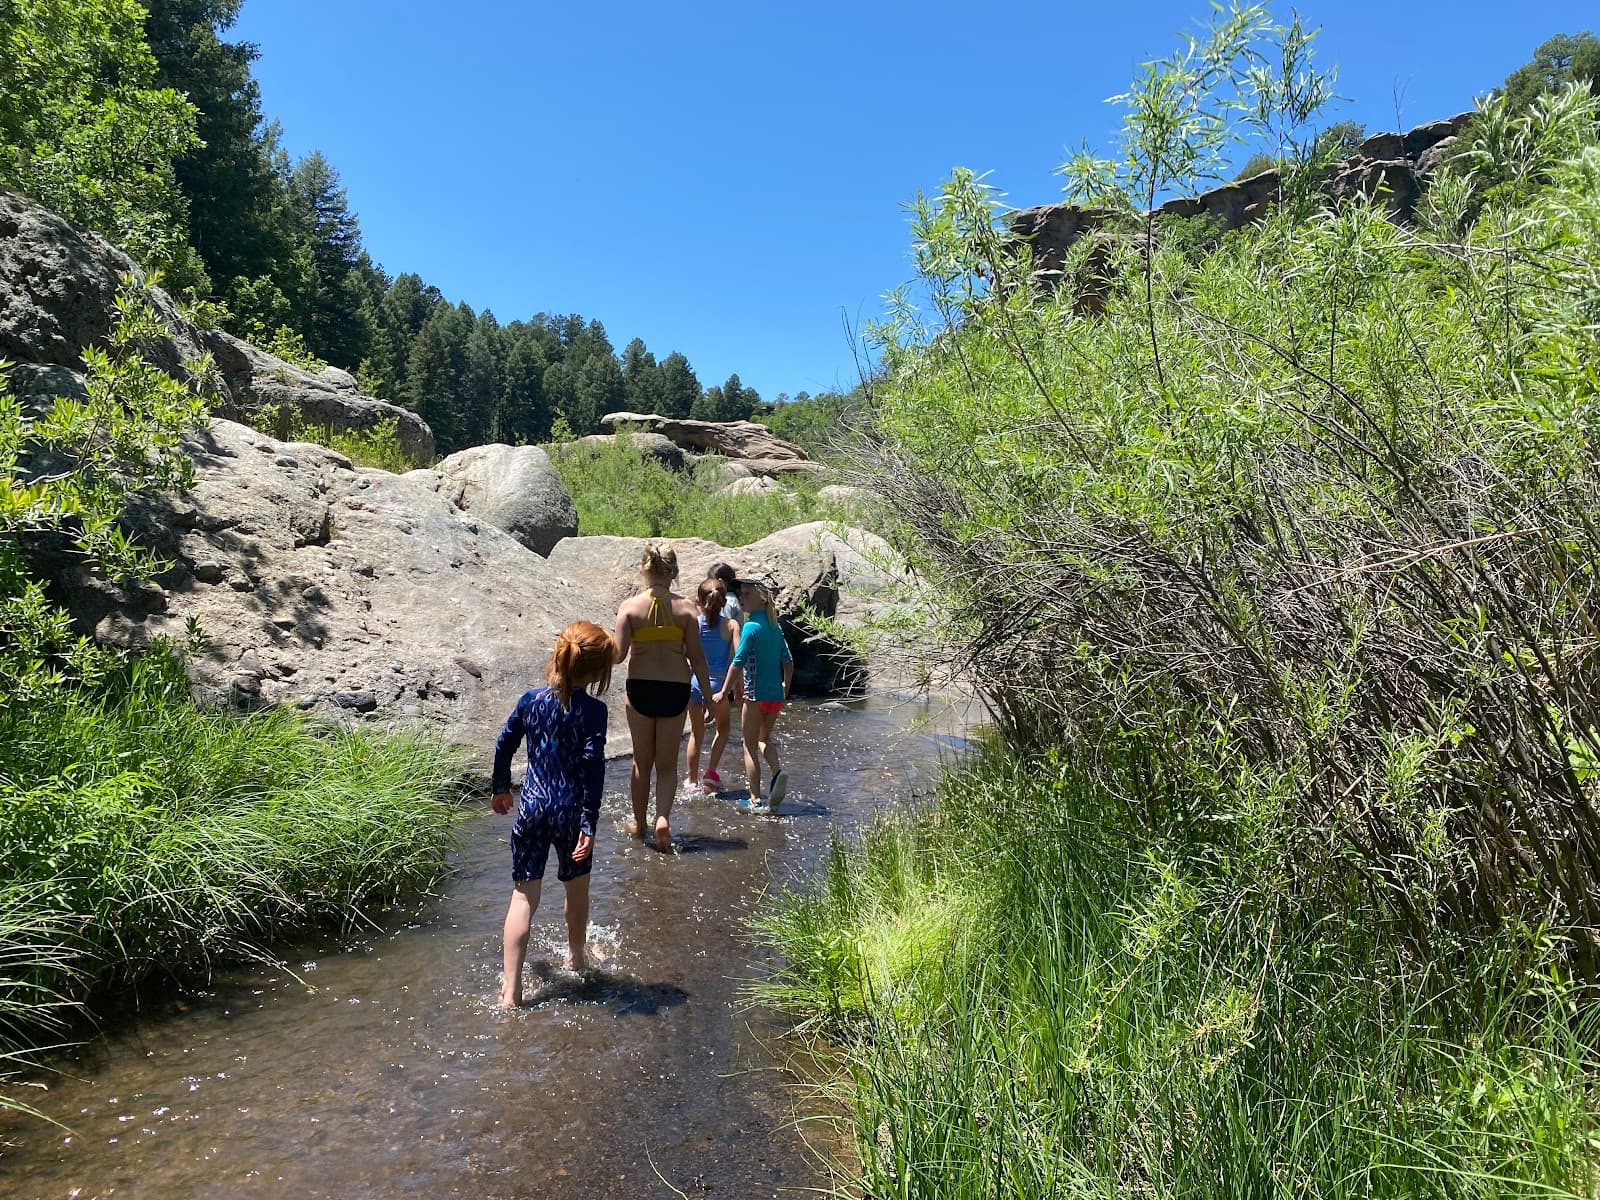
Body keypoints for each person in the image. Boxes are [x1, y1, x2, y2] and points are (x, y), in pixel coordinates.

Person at [491, 620, 616, 1009]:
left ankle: (511, 990)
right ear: (596, 672)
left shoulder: (531, 701)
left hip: (531, 807)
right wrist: (588, 823)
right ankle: (576, 958)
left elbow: (505, 743)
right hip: (569, 810)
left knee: (523, 896)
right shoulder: (594, 711)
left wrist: (499, 788)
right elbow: (593, 766)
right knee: (576, 891)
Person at [613, 542, 712, 851]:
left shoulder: (629, 608)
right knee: (667, 764)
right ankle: (662, 820)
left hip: (640, 688)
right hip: (675, 688)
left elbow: (618, 656)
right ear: (674, 572)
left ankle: (640, 823)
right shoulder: (686, 610)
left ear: (644, 568)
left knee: (642, 762)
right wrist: (708, 697)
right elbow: (697, 658)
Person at [718, 571, 794, 810]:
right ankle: (777, 771)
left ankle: (755, 799)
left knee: (748, 745)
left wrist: (725, 691)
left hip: (754, 696)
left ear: (762, 598)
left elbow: (737, 661)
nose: (742, 599)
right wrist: (785, 687)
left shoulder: (751, 626)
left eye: (747, 594)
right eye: (740, 594)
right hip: (775, 697)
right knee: (764, 739)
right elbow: (788, 661)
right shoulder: (774, 627)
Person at [685, 577, 738, 793]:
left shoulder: (694, 624)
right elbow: (738, 657)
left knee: (696, 734)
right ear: (725, 602)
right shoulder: (731, 625)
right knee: (723, 729)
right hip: (718, 684)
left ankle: (691, 781)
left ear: (698, 601)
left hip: (695, 683)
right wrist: (735, 687)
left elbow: (685, 653)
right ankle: (710, 774)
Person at [707, 561, 744, 629]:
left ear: (721, 582)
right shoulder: (732, 597)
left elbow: (726, 626)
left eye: (710, 581)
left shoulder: (727, 601)